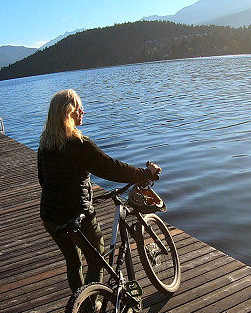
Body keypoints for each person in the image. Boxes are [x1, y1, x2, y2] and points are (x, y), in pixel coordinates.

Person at [37, 89, 160, 292]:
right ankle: (93, 308)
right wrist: (145, 173)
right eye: (79, 107)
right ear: (69, 112)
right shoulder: (78, 145)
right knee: (97, 259)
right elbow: (112, 168)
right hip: (77, 214)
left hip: (50, 217)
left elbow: (43, 181)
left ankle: (81, 309)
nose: (83, 111)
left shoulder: (45, 146)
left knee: (74, 262)